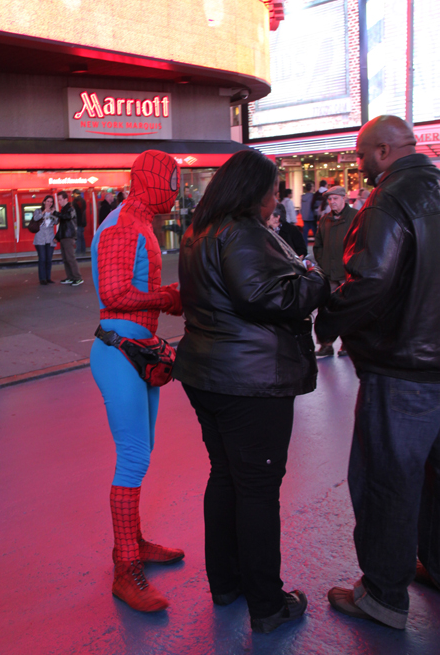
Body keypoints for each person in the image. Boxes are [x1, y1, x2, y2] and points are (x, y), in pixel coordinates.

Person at [173, 149, 330, 634]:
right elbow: (267, 296)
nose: (276, 198)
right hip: (250, 380)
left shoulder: (201, 231)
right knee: (258, 490)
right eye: (273, 189)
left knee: (226, 478)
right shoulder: (240, 233)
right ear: (254, 191)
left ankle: (227, 583)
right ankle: (267, 604)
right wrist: (315, 279)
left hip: (209, 374)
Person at [315, 115, 440, 630]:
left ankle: (383, 596)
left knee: (388, 480)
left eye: (363, 154)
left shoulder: (389, 201)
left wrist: (329, 320)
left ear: (385, 151)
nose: (358, 163)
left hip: (402, 368)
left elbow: (368, 280)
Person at [90, 150, 184, 614]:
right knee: (132, 457)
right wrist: (167, 298)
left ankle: (132, 543)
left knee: (140, 453)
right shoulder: (125, 224)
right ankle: (125, 567)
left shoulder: (138, 221)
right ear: (151, 181)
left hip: (135, 350)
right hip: (121, 351)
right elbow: (113, 293)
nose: (176, 189)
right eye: (171, 179)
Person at [313, 186, 358, 358]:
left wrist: (353, 264)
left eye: (335, 199)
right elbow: (318, 245)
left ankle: (348, 344)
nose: (332, 202)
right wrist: (323, 261)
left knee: (349, 310)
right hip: (329, 273)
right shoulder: (325, 219)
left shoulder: (355, 217)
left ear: (344, 198)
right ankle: (326, 344)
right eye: (330, 199)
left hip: (348, 273)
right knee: (326, 310)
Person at [53, 191, 83, 286]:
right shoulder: (64, 210)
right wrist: (57, 237)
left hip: (69, 236)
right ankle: (70, 277)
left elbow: (67, 217)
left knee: (70, 258)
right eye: (58, 199)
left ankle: (77, 277)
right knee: (66, 258)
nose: (59, 201)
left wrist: (55, 212)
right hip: (64, 236)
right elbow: (63, 226)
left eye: (61, 199)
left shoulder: (70, 209)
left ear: (66, 199)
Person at [32, 196, 57, 285]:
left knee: (49, 259)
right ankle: (42, 279)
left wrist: (54, 213)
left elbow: (56, 221)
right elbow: (35, 218)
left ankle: (48, 277)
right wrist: (44, 212)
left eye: (51, 202)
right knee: (42, 258)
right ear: (44, 202)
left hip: (50, 239)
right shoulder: (38, 211)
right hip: (40, 239)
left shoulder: (52, 212)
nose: (49, 203)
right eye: (48, 201)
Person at [72, 189, 87, 256]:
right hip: (82, 222)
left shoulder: (75, 201)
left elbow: (74, 213)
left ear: (75, 193)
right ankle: (83, 251)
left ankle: (78, 252)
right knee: (82, 238)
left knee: (78, 238)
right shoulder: (83, 200)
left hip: (77, 222)